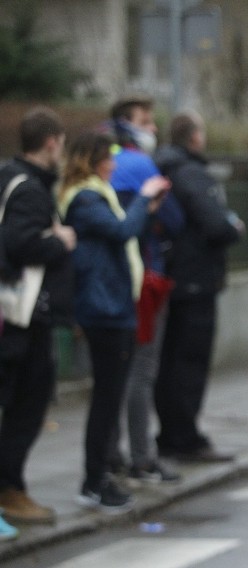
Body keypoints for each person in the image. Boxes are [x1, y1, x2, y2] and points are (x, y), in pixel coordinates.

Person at [57, 130, 170, 513]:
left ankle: (101, 475)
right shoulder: (86, 198)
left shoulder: (94, 196)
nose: (113, 165)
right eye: (107, 158)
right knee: (106, 400)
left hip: (111, 306)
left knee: (109, 398)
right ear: (91, 160)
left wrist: (144, 208)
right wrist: (142, 197)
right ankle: (94, 480)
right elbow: (122, 230)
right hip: (103, 309)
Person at [0, 108, 76, 527]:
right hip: (24, 317)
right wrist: (59, 241)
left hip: (16, 317)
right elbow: (22, 243)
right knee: (27, 406)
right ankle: (10, 490)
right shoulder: (30, 189)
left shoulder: (10, 177)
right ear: (51, 142)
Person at [154, 111, 243, 462]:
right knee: (188, 362)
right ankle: (184, 437)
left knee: (171, 360)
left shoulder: (165, 168)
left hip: (176, 277)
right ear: (193, 138)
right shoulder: (191, 172)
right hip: (194, 281)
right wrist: (233, 226)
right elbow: (214, 224)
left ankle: (171, 433)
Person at [107, 94, 184, 484]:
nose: (153, 128)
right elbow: (173, 218)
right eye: (146, 120)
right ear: (127, 123)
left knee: (111, 375)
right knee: (141, 371)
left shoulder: (98, 164)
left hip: (103, 284)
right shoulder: (137, 163)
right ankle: (142, 457)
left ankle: (110, 456)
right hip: (143, 279)